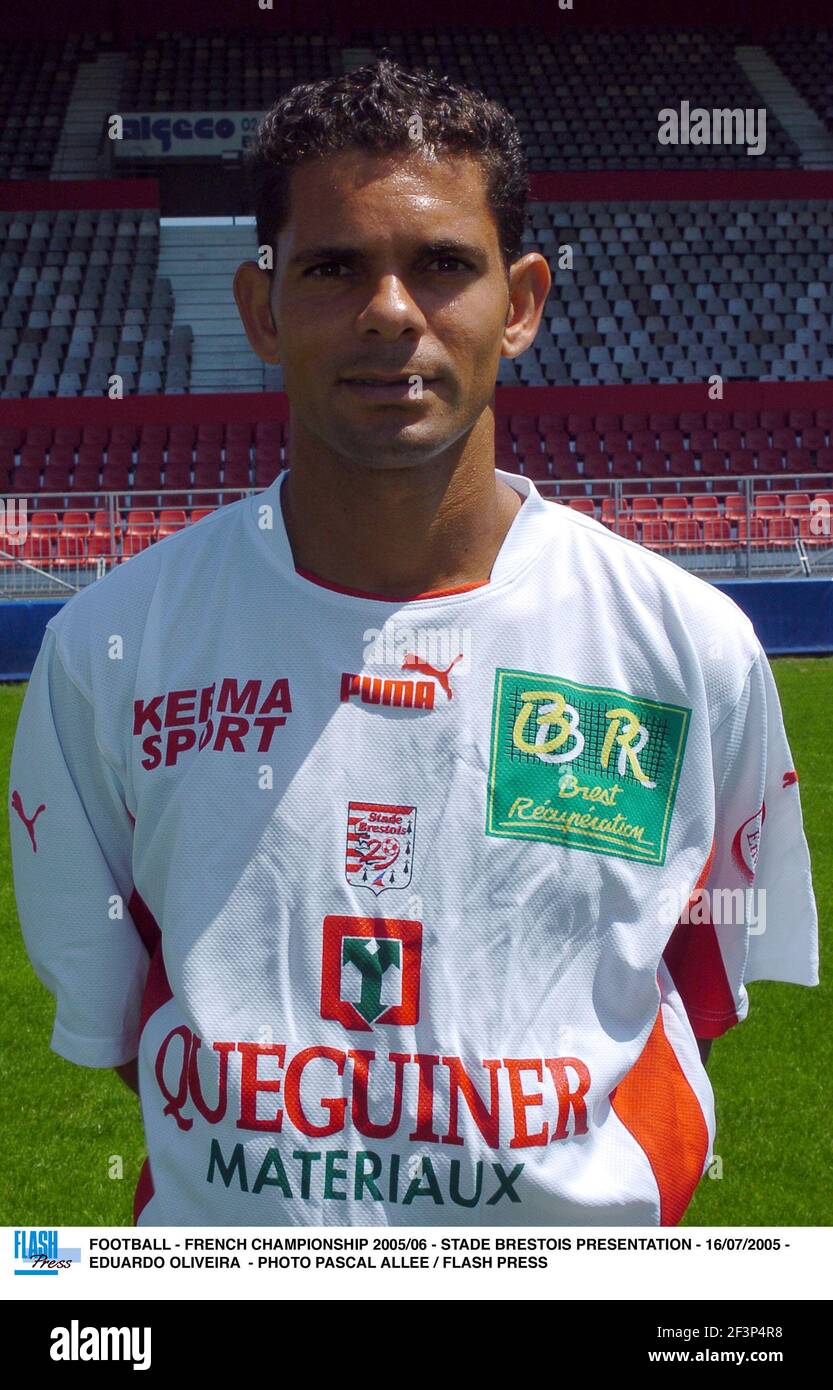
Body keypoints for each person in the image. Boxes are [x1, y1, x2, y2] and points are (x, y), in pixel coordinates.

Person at [9, 58, 818, 1227]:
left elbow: (691, 990)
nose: (390, 311)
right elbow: (122, 1014)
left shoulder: (687, 648)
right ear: (261, 307)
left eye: (442, 265)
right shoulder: (109, 650)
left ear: (523, 300)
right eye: (335, 267)